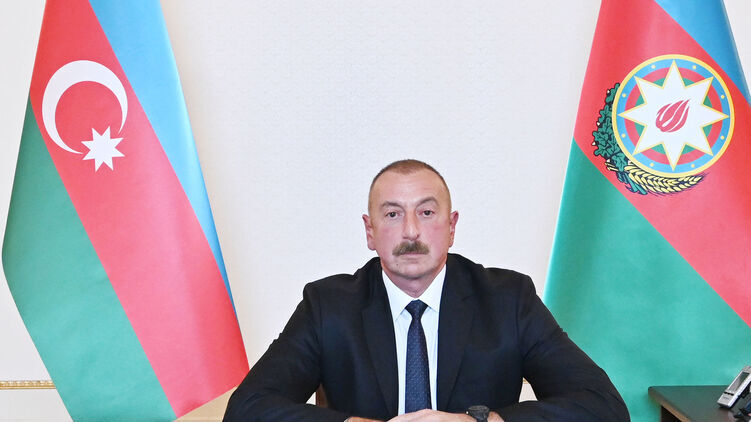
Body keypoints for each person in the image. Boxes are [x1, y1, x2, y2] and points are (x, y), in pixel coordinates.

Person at [224, 159, 629, 422]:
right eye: (392, 214)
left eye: (427, 212)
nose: (411, 231)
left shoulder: (508, 300)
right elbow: (247, 408)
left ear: (451, 227)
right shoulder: (327, 306)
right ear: (370, 232)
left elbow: (603, 406)